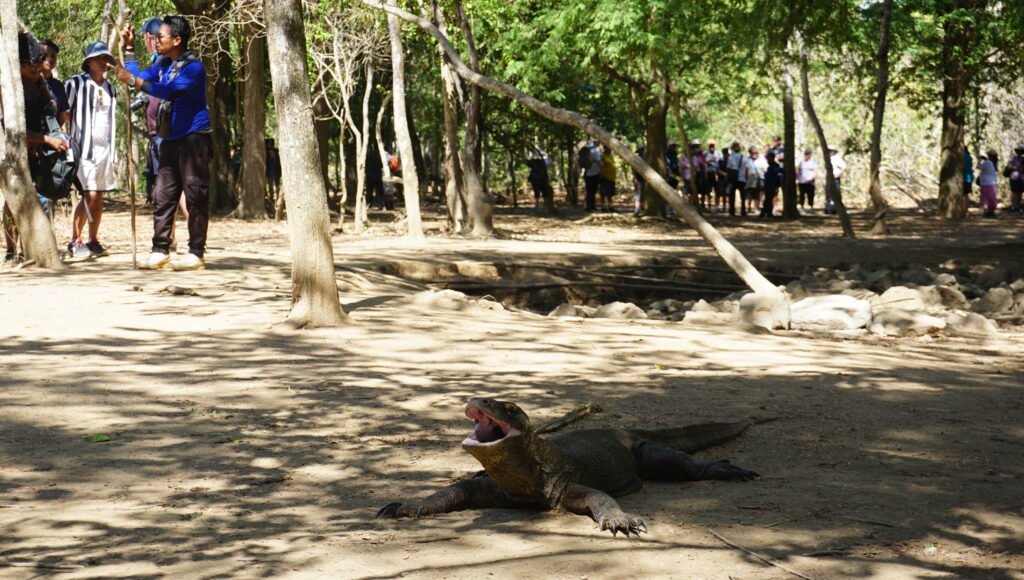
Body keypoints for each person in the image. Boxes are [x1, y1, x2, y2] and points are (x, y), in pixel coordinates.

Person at [113, 15, 212, 270]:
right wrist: (130, 49)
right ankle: (160, 251)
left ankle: (196, 253)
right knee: (163, 195)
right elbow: (141, 76)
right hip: (169, 138)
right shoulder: (164, 64)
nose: (156, 41)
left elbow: (165, 90)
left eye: (161, 37)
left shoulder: (193, 68)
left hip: (193, 138)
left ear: (177, 40)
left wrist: (134, 80)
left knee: (195, 195)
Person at [3, 33, 70, 264]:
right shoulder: (7, 87)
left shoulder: (37, 81)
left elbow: (50, 111)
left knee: (40, 197)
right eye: (32, 68)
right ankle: (12, 250)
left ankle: (34, 248)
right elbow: (11, 129)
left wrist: (40, 83)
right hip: (13, 150)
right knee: (13, 200)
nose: (36, 71)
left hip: (37, 151)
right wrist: (46, 140)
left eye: (38, 67)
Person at [65, 41, 118, 259]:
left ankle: (93, 240)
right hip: (83, 148)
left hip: (105, 148)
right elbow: (64, 114)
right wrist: (65, 144)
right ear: (88, 62)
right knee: (90, 194)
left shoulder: (110, 88)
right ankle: (74, 241)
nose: (104, 62)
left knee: (99, 196)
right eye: (99, 58)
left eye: (106, 58)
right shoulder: (75, 84)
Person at [37, 40, 70, 131]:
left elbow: (62, 115)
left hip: (53, 139)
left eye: (53, 56)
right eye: (45, 55)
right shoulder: (29, 81)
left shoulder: (58, 86)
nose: (50, 59)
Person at [741, 147, 764, 216]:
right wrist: (746, 177)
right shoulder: (747, 160)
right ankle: (748, 207)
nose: (754, 154)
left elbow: (764, 169)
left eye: (756, 153)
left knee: (757, 194)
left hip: (758, 179)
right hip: (749, 180)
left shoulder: (761, 160)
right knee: (749, 194)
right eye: (753, 153)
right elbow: (745, 169)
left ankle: (756, 208)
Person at [976, 150, 999, 218]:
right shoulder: (994, 163)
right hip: (992, 182)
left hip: (986, 183)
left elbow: (979, 167)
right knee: (991, 198)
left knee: (986, 197)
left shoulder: (988, 162)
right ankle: (991, 212)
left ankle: (988, 212)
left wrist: (979, 160)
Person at [825, 147, 846, 215]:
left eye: (830, 150)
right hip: (829, 178)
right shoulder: (828, 159)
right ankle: (829, 208)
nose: (829, 152)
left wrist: (838, 174)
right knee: (828, 194)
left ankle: (835, 209)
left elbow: (844, 167)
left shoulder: (837, 158)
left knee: (835, 193)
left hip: (835, 179)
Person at [725, 142, 745, 215]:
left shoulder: (730, 157)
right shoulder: (743, 157)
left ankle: (732, 210)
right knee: (743, 195)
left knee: (732, 195)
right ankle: (743, 210)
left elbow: (728, 167)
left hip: (733, 178)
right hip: (742, 178)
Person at [582, 140, 602, 211]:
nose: (600, 142)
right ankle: (591, 207)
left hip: (587, 173)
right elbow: (599, 162)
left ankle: (589, 206)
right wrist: (602, 171)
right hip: (594, 173)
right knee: (592, 191)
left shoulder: (588, 149)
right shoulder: (595, 151)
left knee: (589, 191)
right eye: (599, 141)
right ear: (595, 142)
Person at [761, 151, 782, 218]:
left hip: (772, 185)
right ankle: (765, 212)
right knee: (767, 199)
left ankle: (767, 212)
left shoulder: (775, 166)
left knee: (769, 199)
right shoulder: (770, 166)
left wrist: (777, 185)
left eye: (768, 158)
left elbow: (777, 176)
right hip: (768, 185)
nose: (767, 160)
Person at [1004, 144, 1024, 213]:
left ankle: (1018, 206)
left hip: (1021, 178)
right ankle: (1014, 206)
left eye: (1021, 151)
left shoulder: (1023, 159)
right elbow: (1009, 166)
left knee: (1020, 193)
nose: (1019, 152)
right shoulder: (1013, 158)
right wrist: (1015, 167)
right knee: (1014, 192)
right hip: (1013, 177)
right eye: (1018, 151)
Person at [704, 140, 722, 210]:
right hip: (708, 173)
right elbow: (702, 161)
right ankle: (709, 205)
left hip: (716, 173)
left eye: (713, 146)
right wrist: (709, 160)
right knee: (708, 190)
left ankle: (717, 205)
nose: (712, 147)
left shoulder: (718, 153)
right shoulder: (705, 153)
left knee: (718, 190)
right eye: (710, 146)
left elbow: (721, 161)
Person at [598, 145, 617, 212]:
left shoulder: (611, 155)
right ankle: (603, 207)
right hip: (605, 177)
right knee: (603, 193)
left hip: (612, 177)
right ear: (605, 148)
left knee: (610, 194)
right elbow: (601, 166)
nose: (610, 149)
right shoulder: (602, 156)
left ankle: (610, 206)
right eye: (608, 148)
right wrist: (602, 174)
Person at [714, 144, 731, 212]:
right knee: (720, 193)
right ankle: (719, 207)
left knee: (728, 193)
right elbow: (717, 169)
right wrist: (724, 174)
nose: (727, 154)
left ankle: (727, 207)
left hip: (729, 179)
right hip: (721, 179)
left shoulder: (731, 160)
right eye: (726, 153)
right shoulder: (720, 160)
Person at [632, 145, 646, 215]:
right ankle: (636, 209)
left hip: (645, 179)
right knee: (638, 194)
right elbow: (634, 169)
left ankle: (642, 208)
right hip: (638, 178)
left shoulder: (645, 158)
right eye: (641, 149)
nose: (642, 151)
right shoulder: (636, 158)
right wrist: (634, 178)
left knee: (643, 194)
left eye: (643, 149)